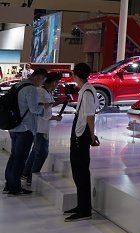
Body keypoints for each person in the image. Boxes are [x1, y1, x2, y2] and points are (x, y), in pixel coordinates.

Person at [64, 63, 99, 222]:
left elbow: (90, 116)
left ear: (75, 75)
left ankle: (84, 209)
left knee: (81, 171)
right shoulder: (86, 90)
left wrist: (92, 136)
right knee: (78, 171)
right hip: (80, 132)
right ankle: (81, 205)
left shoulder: (87, 92)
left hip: (81, 134)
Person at [3, 68, 46, 195]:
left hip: (13, 126)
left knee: (14, 156)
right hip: (25, 128)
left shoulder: (18, 85)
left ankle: (9, 184)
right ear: (39, 77)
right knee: (20, 158)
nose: (42, 83)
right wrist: (43, 108)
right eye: (43, 80)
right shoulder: (31, 89)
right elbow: (34, 109)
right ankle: (15, 187)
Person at [21, 72, 64, 184]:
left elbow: (48, 105)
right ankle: (32, 177)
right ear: (54, 82)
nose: (57, 85)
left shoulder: (44, 92)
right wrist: (55, 118)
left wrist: (58, 102)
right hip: (40, 128)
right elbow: (44, 113)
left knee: (35, 151)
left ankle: (26, 173)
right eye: (57, 83)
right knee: (42, 153)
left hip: (39, 127)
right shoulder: (42, 92)